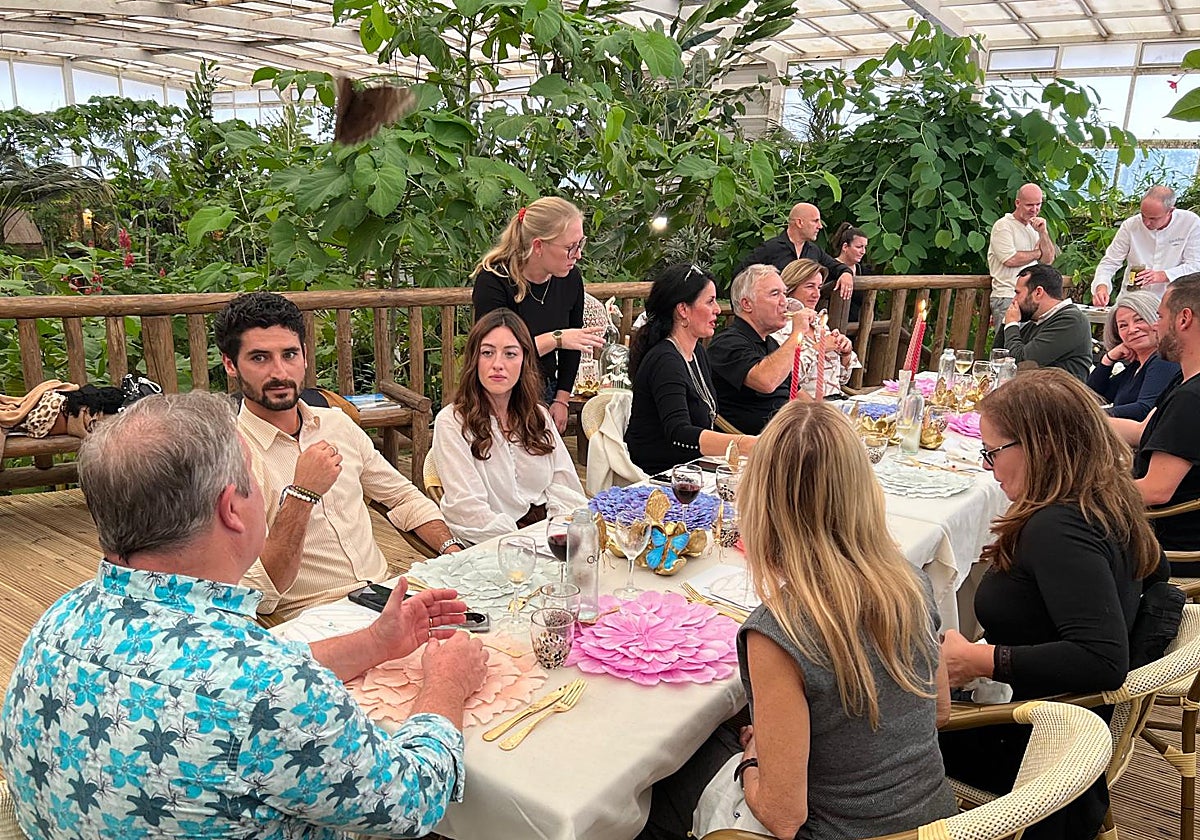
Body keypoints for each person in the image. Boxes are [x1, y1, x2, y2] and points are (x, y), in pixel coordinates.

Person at [0, 391, 489, 838]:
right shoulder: (271, 687)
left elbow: (222, 670)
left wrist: (377, 643)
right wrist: (445, 685)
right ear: (232, 508)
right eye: (256, 482)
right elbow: (413, 802)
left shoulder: (57, 620)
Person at [639, 400, 955, 840]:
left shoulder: (779, 632)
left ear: (763, 503)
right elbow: (939, 711)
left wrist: (754, 757)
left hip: (838, 831)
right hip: (940, 822)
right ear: (863, 489)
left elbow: (783, 817)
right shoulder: (911, 582)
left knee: (655, 785)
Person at [939, 369, 1167, 840]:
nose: (989, 467)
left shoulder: (1059, 528)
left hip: (1041, 750)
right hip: (1071, 732)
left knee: (859, 736)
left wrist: (978, 660)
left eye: (993, 452)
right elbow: (1158, 578)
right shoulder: (1108, 498)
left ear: (1038, 445)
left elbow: (1103, 659)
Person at [214, 291, 464, 623]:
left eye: (289, 354)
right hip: (314, 619)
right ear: (231, 364)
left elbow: (402, 498)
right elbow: (260, 595)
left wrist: (451, 550)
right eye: (260, 358)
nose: (279, 372)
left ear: (304, 355)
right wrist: (302, 495)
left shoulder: (335, 423)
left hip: (387, 595)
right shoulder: (230, 456)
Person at [432, 308, 587, 545]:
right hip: (490, 545)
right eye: (487, 353)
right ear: (474, 360)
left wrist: (556, 533)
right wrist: (523, 542)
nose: (498, 364)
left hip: (549, 538)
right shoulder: (453, 422)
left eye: (510, 354)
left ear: (524, 360)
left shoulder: (538, 415)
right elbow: (468, 510)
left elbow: (566, 489)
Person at [472, 197, 606, 432]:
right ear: (538, 246)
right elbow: (495, 354)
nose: (578, 255)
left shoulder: (571, 278)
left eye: (580, 244)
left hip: (547, 387)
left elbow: (573, 346)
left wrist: (561, 399)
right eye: (570, 247)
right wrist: (557, 338)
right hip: (499, 392)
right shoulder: (493, 280)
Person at [625, 263, 756, 475]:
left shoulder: (697, 353)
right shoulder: (665, 360)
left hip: (693, 467)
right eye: (710, 301)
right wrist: (744, 444)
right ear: (683, 310)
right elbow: (679, 433)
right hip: (659, 476)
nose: (717, 310)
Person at [1110, 274, 1200, 565]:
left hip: (1163, 548)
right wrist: (1074, 421)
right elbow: (1141, 431)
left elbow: (1156, 490)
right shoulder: (1182, 381)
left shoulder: (1192, 399)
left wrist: (1079, 489)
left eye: (1160, 316)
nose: (1155, 325)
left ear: (1184, 318)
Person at [706, 264, 803, 434]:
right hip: (753, 446)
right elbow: (766, 382)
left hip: (789, 433)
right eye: (775, 294)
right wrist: (798, 333)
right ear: (747, 304)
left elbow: (798, 393)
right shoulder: (725, 343)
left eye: (784, 294)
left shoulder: (771, 343)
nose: (784, 302)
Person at [1092, 185, 1200, 305]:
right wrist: (1101, 286)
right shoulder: (1131, 225)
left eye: (1153, 218)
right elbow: (1110, 262)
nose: (1146, 222)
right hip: (1132, 300)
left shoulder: (1190, 223)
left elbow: (1195, 265)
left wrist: (1163, 275)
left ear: (1170, 211)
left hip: (1171, 302)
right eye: (1143, 215)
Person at [774, 258, 861, 399]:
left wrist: (846, 354)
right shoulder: (779, 327)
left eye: (819, 287)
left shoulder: (819, 324)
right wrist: (819, 348)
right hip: (806, 409)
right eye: (809, 286)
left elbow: (842, 381)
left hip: (837, 402)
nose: (817, 294)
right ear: (791, 288)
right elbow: (785, 380)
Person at [1086, 290, 1179, 420]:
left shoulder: (1163, 360)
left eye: (1139, 320)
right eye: (1123, 326)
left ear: (1157, 320)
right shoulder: (1135, 367)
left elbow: (1145, 409)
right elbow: (1091, 397)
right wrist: (1108, 359)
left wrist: (1087, 416)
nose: (1132, 329)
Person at [734, 203, 853, 300]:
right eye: (815, 221)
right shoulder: (771, 248)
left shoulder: (814, 250)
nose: (820, 226)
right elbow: (741, 275)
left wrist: (846, 273)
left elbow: (836, 266)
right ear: (800, 223)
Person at [995, 263, 1093, 381]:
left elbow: (1021, 364)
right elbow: (998, 357)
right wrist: (1007, 323)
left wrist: (1011, 324)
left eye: (1018, 293)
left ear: (1038, 292)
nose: (1014, 300)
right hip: (1033, 394)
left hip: (1059, 397)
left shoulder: (1071, 320)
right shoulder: (1037, 322)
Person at [987, 184, 1057, 338]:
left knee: (1027, 350)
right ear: (1017, 203)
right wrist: (1038, 253)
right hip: (1007, 296)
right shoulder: (1003, 226)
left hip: (1032, 299)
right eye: (1029, 205)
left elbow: (1048, 260)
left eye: (1038, 204)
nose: (1034, 209)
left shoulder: (1036, 228)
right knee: (1005, 349)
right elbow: (1010, 259)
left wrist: (1043, 233)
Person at [828, 221, 871, 321]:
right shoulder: (829, 268)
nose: (863, 251)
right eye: (859, 247)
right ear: (845, 247)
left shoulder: (864, 271)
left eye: (865, 247)